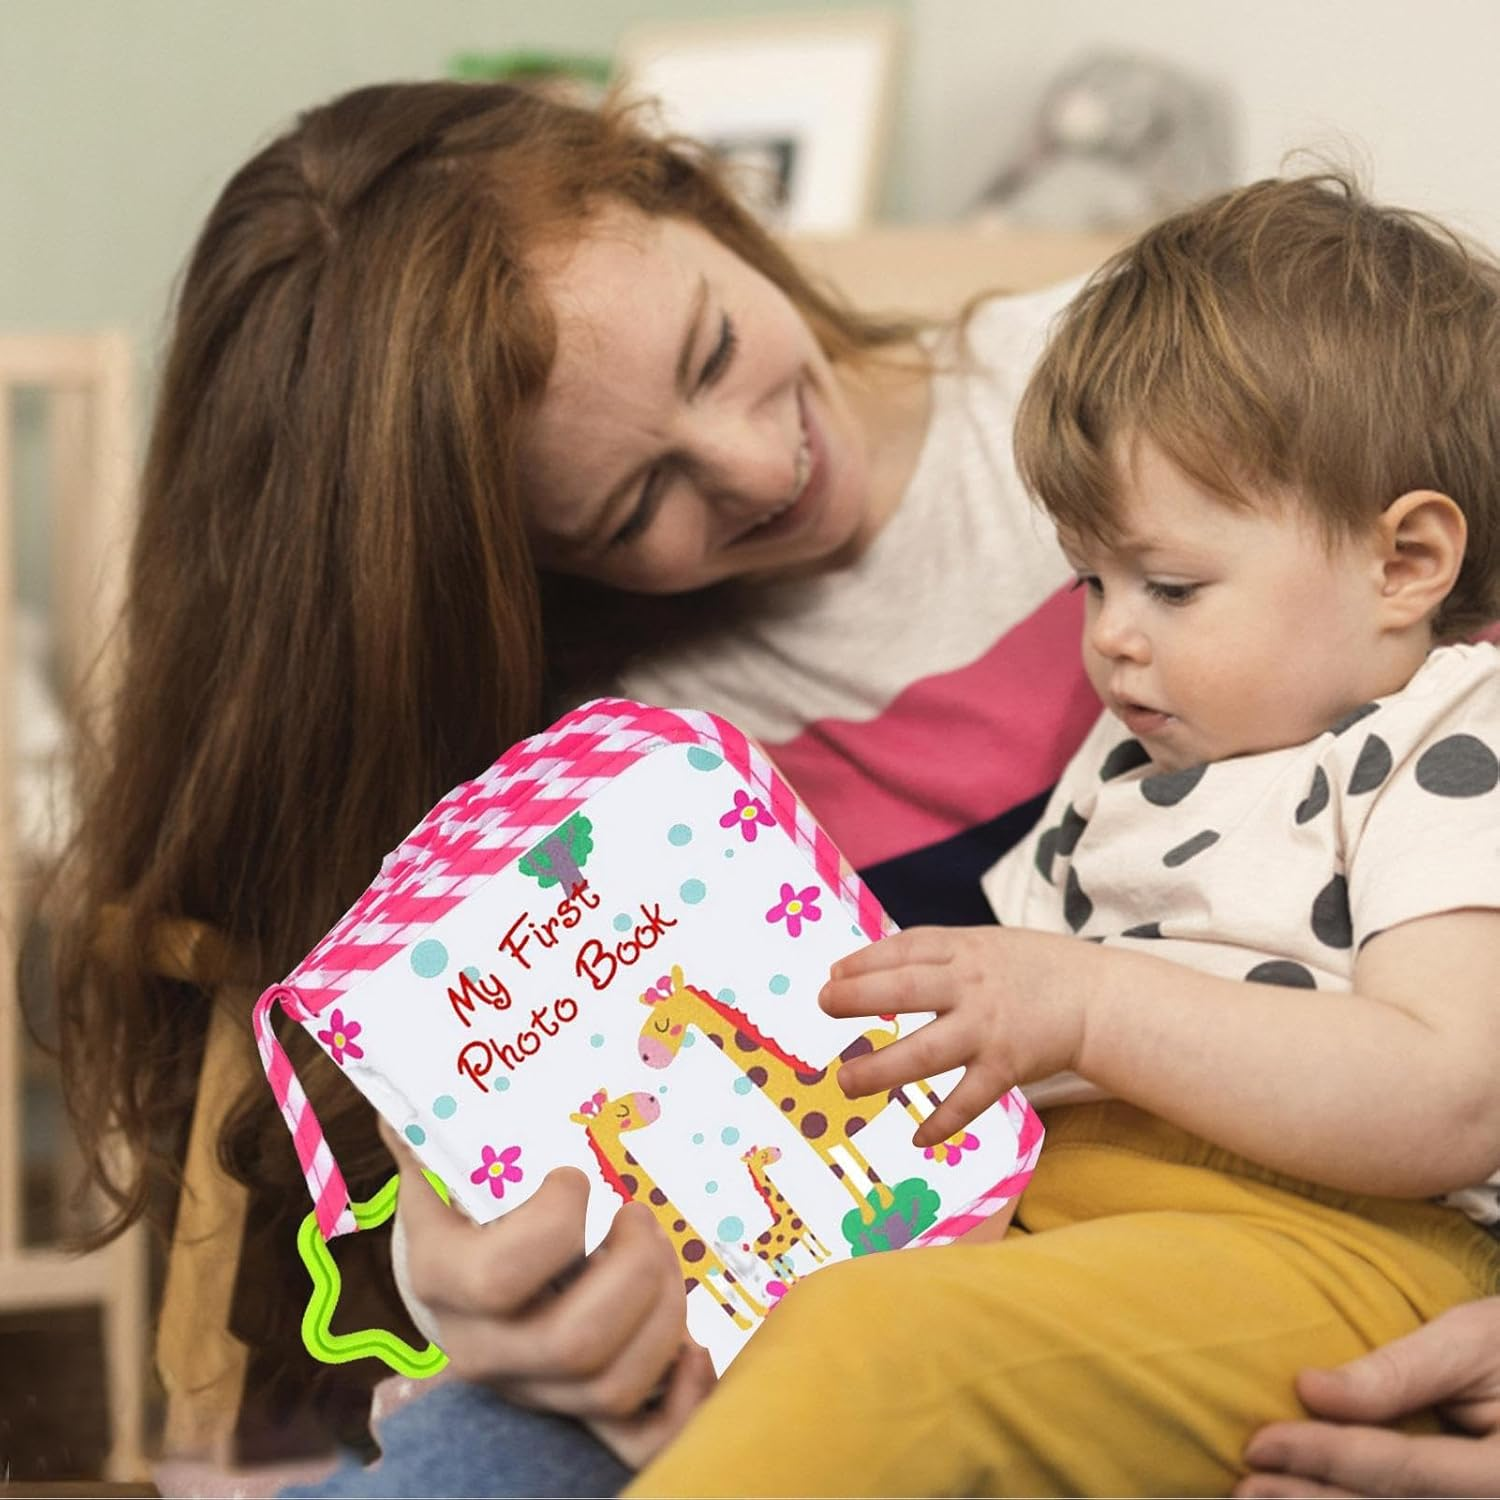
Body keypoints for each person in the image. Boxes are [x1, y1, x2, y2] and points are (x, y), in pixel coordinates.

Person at [46, 78, 1099, 1467]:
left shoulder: (1121, 381)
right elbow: (499, 1111)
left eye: (714, 348)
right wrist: (462, 1280)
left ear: (695, 196)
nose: (754, 464)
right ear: (536, 565)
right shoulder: (591, 765)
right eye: (633, 506)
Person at [616, 173, 1500, 1495]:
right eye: (1092, 580)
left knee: (877, 1354)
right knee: (748, 1345)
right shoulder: (1132, 755)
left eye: (1173, 585)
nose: (1111, 635)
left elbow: (1451, 1098)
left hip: (1344, 1238)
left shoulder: (1451, 729)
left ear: (1407, 563)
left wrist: (1086, 1007)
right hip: (1069, 1213)